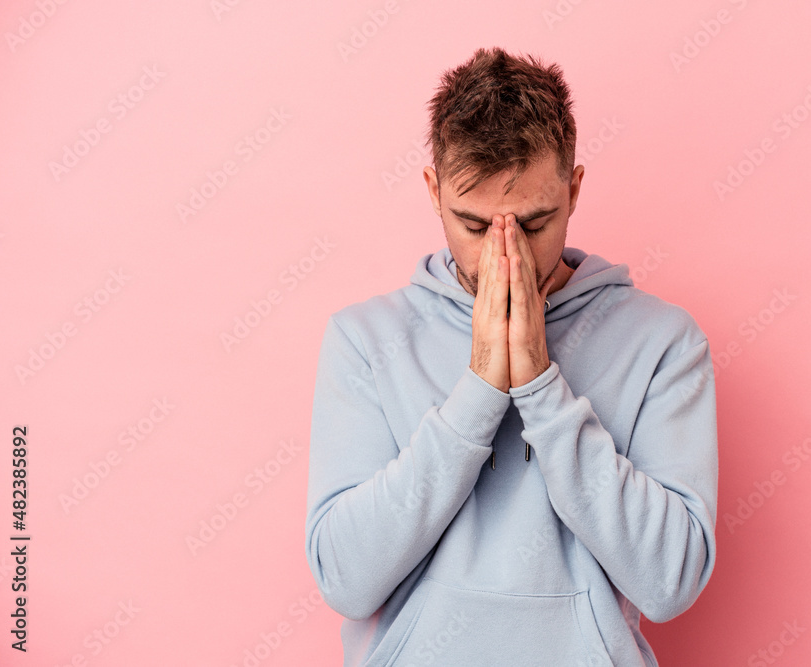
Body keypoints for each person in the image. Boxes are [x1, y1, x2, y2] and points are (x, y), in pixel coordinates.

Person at [305, 46, 718, 666]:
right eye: (475, 227)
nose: (505, 253)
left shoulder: (662, 342)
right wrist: (478, 392)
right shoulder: (365, 339)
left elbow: (669, 582)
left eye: (534, 223)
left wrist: (541, 387)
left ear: (573, 190)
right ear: (434, 191)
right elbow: (346, 580)